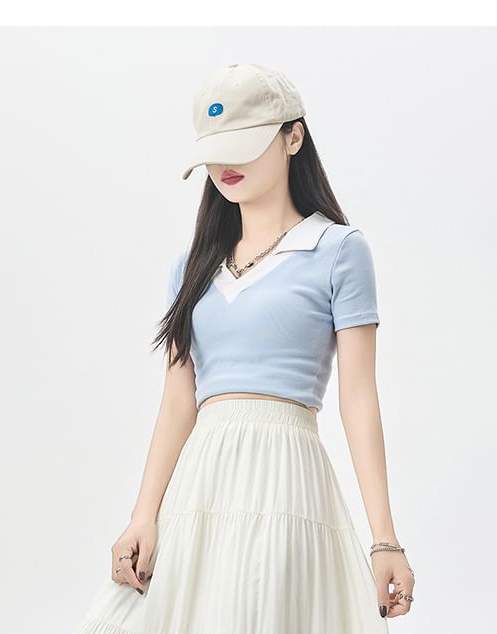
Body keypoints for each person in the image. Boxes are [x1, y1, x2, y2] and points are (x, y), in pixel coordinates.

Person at [74, 62, 415, 634]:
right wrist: (143, 515)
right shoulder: (191, 267)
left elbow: (358, 399)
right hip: (200, 487)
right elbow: (178, 401)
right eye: (215, 151)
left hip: (287, 479)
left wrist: (385, 539)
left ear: (293, 137)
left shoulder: (339, 250)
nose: (224, 166)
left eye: (243, 145)